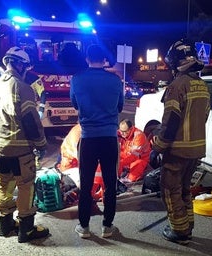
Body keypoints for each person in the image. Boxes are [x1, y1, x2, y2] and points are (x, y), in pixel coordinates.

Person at [152, 39, 210, 245]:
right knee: (185, 189)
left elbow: (170, 123)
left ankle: (179, 231)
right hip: (196, 150)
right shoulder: (202, 85)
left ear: (176, 63)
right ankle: (188, 226)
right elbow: (204, 116)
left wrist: (157, 147)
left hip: (177, 151)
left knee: (170, 190)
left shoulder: (177, 86)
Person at [0, 46, 49, 243]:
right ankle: (26, 229)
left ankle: (5, 226)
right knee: (25, 186)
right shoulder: (21, 87)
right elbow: (31, 120)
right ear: (20, 64)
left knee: (4, 184)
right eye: (25, 65)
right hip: (19, 148)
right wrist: (41, 144)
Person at [70, 44, 124, 238]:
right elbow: (120, 106)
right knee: (110, 182)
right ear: (104, 60)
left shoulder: (77, 80)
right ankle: (107, 226)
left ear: (87, 59)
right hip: (109, 138)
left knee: (86, 183)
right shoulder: (115, 80)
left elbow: (75, 104)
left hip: (88, 139)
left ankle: (84, 227)